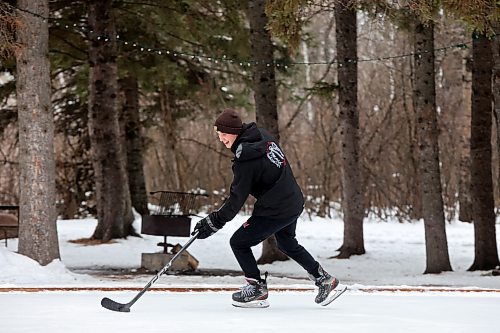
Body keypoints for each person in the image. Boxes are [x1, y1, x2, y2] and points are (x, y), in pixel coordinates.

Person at [193, 108, 346, 308]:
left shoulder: (246, 159)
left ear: (235, 131)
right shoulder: (262, 136)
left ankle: (256, 287)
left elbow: (236, 200)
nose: (221, 139)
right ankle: (323, 279)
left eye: (224, 134)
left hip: (276, 208)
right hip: (293, 200)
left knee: (239, 242)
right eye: (218, 134)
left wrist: (214, 222)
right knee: (287, 243)